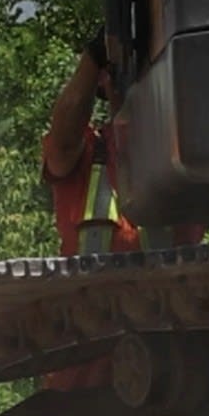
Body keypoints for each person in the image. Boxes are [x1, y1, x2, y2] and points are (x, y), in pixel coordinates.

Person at [40, 40, 138, 258]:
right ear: (104, 80)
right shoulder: (90, 152)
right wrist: (94, 57)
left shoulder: (183, 151)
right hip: (91, 291)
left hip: (171, 291)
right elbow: (62, 146)